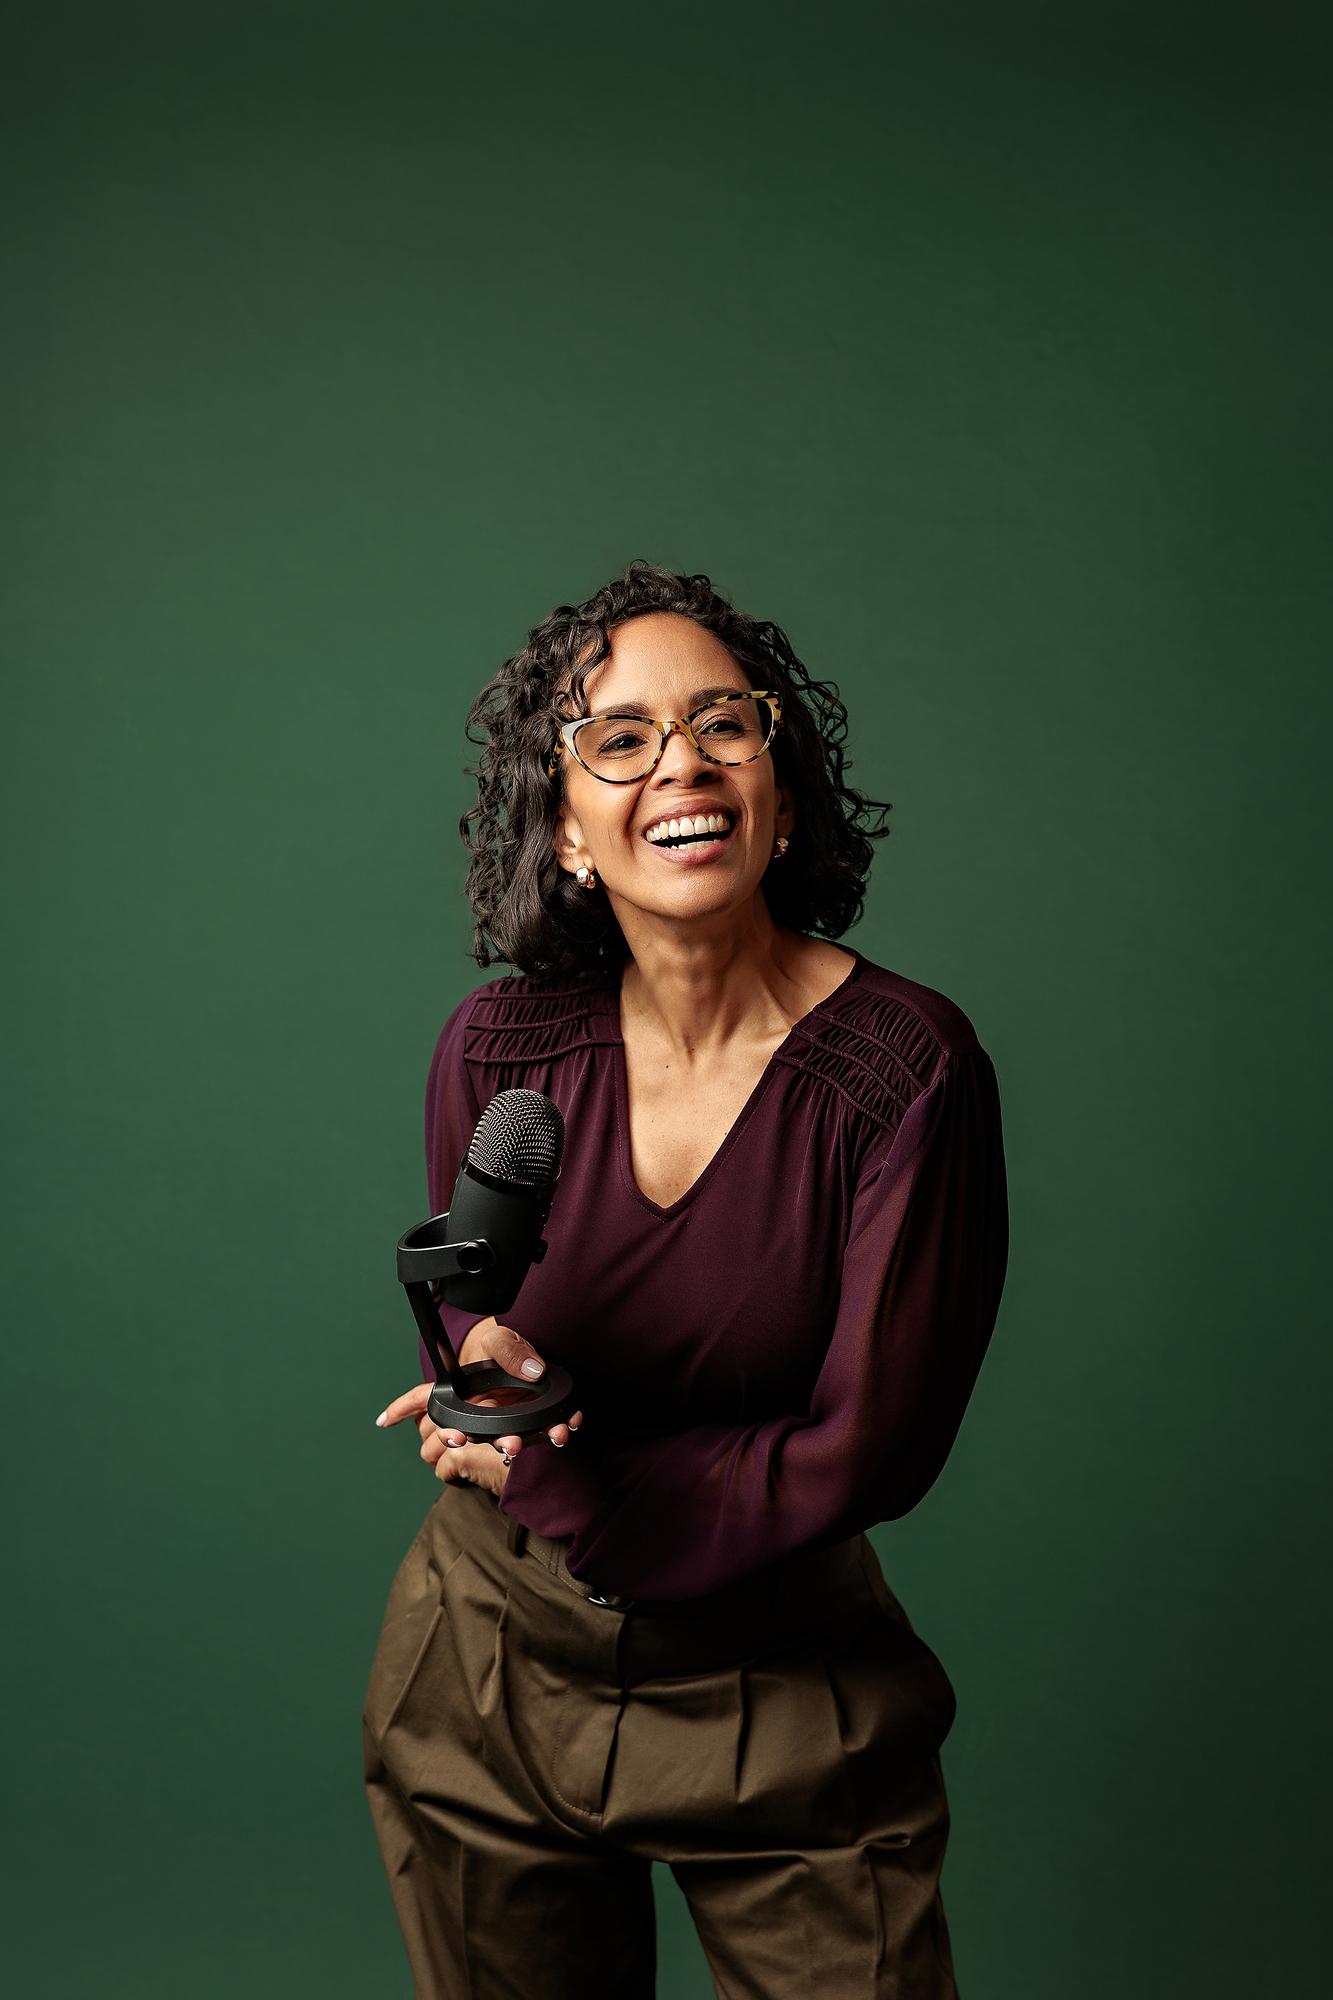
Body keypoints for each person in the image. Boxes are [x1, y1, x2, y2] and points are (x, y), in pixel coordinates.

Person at [363, 559, 1009, 1998]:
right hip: (488, 1666)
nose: (682, 765)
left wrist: (572, 1488)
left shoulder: (904, 1071)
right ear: (566, 826)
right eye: (620, 737)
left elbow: (870, 1447)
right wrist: (488, 1377)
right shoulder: (498, 1049)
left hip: (781, 1683)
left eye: (723, 723)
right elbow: (477, 1304)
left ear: (780, 792)